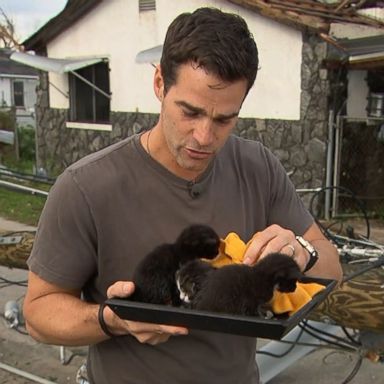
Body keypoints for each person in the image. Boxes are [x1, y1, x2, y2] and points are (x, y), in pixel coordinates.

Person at [23, 7, 342, 384]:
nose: (205, 137)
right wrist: (111, 320)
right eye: (189, 112)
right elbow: (38, 314)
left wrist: (302, 250)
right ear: (159, 83)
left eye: (224, 119)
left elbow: (332, 268)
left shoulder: (258, 167)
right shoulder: (86, 186)